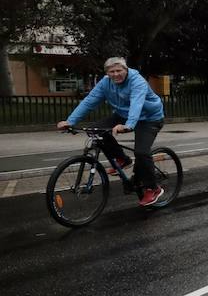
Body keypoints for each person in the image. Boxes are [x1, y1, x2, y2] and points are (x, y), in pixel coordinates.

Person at [57, 56, 168, 206]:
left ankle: (153, 188)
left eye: (119, 70)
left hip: (149, 118)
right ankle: (122, 159)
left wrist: (128, 125)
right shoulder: (105, 83)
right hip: (123, 114)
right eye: (111, 71)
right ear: (107, 73)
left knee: (141, 152)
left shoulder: (137, 82)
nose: (115, 74)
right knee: (95, 130)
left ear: (126, 69)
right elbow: (90, 101)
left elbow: (137, 103)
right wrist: (70, 121)